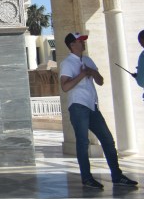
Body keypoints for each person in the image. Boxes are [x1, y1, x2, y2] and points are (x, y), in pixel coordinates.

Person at [59, 32, 138, 190]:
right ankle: (87, 178)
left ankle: (117, 176)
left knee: (107, 140)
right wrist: (82, 74)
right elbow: (65, 87)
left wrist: (92, 72)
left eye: (83, 40)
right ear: (72, 45)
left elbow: (100, 81)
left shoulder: (88, 60)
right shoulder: (67, 63)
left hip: (92, 106)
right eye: (80, 41)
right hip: (78, 105)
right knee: (83, 142)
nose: (83, 43)